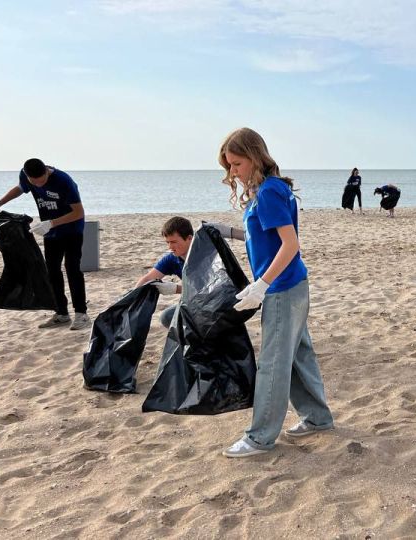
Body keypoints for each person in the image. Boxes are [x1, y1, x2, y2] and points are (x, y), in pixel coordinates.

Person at [211, 127, 333, 458]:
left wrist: (262, 284)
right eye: (229, 167)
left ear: (254, 156)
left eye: (236, 164)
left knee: (273, 362)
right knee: (297, 356)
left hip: (282, 287)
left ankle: (260, 437)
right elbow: (263, 236)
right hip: (291, 285)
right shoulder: (267, 191)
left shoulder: (268, 192)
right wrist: (228, 232)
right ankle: (317, 418)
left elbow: (290, 243)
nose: (233, 172)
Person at [0, 159, 91, 330]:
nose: (39, 185)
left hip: (72, 229)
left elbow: (78, 212)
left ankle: (81, 314)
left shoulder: (63, 180)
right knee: (52, 271)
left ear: (47, 171)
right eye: (35, 183)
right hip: (51, 232)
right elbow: (19, 189)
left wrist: (51, 223)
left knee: (72, 269)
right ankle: (62, 313)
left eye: (42, 181)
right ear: (27, 176)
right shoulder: (26, 176)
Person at [132, 216, 195, 328]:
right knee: (166, 317)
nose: (170, 247)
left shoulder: (204, 256)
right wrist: (131, 299)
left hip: (213, 304)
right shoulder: (172, 258)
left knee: (168, 316)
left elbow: (208, 289)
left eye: (174, 242)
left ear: (189, 238)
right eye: (168, 242)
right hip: (194, 304)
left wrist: (176, 289)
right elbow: (147, 279)